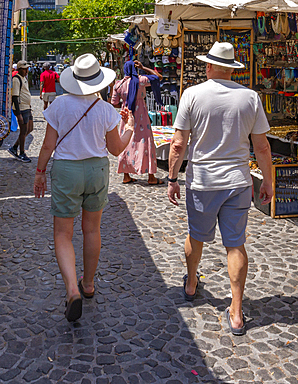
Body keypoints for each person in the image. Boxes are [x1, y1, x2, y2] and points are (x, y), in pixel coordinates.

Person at [166, 42, 273, 336]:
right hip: (237, 182)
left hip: (202, 181)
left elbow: (178, 144)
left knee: (196, 236)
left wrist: (172, 178)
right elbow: (261, 146)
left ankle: (190, 283)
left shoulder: (192, 94)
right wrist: (268, 181)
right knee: (235, 244)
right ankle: (237, 313)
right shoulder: (250, 98)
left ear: (209, 66)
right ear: (232, 69)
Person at [33, 54, 134, 323]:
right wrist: (130, 128)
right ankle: (88, 284)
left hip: (68, 170)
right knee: (92, 229)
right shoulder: (105, 110)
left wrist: (40, 172)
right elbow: (115, 149)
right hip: (97, 170)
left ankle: (71, 289)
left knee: (63, 234)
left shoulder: (60, 105)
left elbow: (47, 145)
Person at [110, 59, 162, 185]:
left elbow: (114, 103)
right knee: (145, 142)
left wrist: (126, 102)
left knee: (126, 142)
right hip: (142, 115)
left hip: (126, 115)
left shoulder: (118, 84)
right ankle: (151, 176)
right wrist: (144, 67)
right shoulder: (141, 80)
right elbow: (158, 77)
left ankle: (126, 176)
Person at [10, 60, 33, 162]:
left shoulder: (24, 79)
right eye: (25, 69)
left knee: (30, 128)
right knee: (23, 131)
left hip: (27, 107)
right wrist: (18, 114)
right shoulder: (16, 79)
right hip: (21, 108)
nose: (26, 71)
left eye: (27, 69)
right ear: (20, 69)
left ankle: (14, 147)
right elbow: (15, 96)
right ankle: (22, 152)